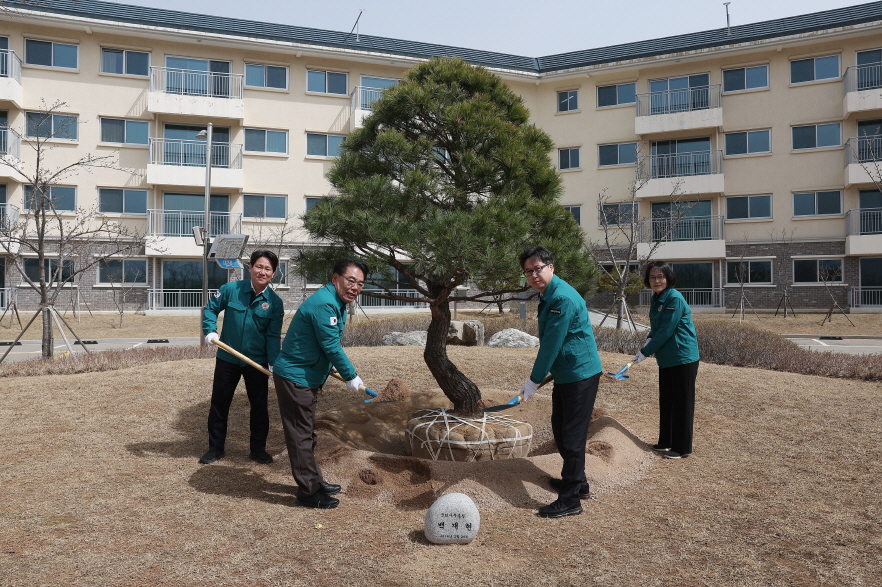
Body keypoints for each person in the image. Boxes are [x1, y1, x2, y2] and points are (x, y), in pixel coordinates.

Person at [272, 258, 368, 509]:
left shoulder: (336, 302)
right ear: (335, 278)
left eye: (359, 284)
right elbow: (330, 346)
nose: (354, 287)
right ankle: (308, 493)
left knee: (306, 434)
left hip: (306, 376)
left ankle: (314, 480)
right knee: (300, 437)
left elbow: (325, 345)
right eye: (350, 281)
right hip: (296, 377)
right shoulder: (325, 305)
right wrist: (350, 376)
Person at [518, 245, 602, 519]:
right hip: (567, 373)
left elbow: (551, 343)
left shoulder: (562, 298)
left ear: (551, 267)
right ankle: (578, 483)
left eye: (538, 269)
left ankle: (570, 500)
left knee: (573, 436)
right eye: (528, 271)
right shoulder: (549, 294)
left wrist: (533, 381)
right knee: (562, 429)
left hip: (580, 374)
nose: (533, 275)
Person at [201, 250, 284, 465]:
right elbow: (210, 309)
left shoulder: (275, 303)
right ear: (250, 267)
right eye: (259, 266)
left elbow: (273, 336)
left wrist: (274, 364)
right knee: (220, 403)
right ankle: (215, 448)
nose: (262, 272)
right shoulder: (230, 290)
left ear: (273, 273)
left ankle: (258, 449)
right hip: (228, 358)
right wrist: (210, 330)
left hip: (256, 362)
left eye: (267, 269)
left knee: (259, 406)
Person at [634, 260, 700, 460]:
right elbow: (656, 328)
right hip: (666, 358)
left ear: (668, 278)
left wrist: (646, 351)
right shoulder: (657, 298)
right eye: (653, 277)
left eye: (660, 276)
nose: (657, 280)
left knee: (682, 403)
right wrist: (648, 340)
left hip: (683, 357)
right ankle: (666, 441)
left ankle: (682, 447)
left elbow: (666, 330)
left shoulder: (674, 298)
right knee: (667, 400)